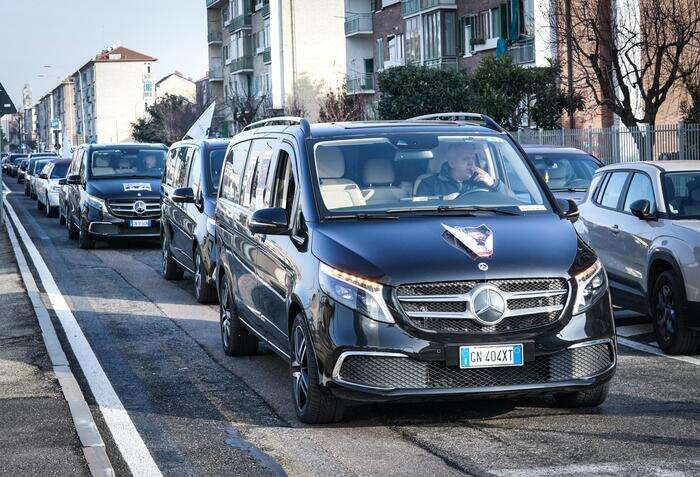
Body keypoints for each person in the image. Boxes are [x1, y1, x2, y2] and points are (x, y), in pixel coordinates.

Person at [416, 141, 504, 197]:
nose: (471, 163)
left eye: (472, 158)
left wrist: (494, 184)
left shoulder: (482, 181)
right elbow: (418, 210)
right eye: (465, 159)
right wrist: (443, 200)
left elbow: (512, 201)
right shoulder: (429, 184)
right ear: (452, 163)